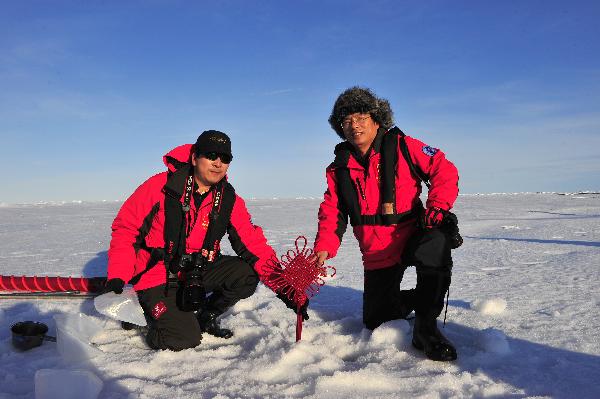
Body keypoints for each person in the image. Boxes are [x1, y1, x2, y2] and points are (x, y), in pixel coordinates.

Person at [103, 130, 307, 351]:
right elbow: (126, 229)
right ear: (194, 158)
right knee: (183, 340)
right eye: (211, 155)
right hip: (159, 274)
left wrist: (286, 288)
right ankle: (151, 319)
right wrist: (118, 274)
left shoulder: (228, 198)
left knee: (246, 274)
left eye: (225, 158)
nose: (218, 163)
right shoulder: (161, 187)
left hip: (197, 270)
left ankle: (205, 316)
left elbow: (253, 244)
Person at [313, 87, 460, 361]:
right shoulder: (338, 168)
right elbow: (332, 210)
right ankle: (419, 298)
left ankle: (426, 329)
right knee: (376, 320)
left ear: (376, 118)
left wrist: (437, 207)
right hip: (377, 252)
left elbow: (443, 168)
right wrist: (324, 247)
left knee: (436, 242)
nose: (354, 125)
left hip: (411, 235)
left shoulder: (405, 146)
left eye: (360, 117)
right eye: (346, 121)